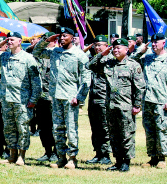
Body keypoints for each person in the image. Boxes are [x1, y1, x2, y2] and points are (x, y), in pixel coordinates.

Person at [33, 27, 91, 170]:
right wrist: (46, 40)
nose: (62, 38)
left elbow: (86, 78)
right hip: (56, 96)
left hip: (71, 97)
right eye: (61, 36)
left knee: (71, 129)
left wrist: (80, 97)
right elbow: (36, 52)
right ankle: (61, 157)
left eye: (65, 36)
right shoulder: (55, 53)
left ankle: (72, 158)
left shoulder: (79, 55)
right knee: (57, 129)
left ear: (72, 37)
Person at [0, 32, 41, 166]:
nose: (9, 42)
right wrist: (0, 43)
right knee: (9, 129)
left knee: (22, 128)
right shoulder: (4, 56)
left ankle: (21, 156)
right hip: (6, 99)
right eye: (7, 40)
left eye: (11, 40)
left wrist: (33, 99)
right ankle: (12, 154)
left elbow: (36, 82)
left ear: (20, 41)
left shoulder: (28, 58)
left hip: (22, 100)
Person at [87, 38, 146, 172]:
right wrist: (102, 54)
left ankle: (126, 161)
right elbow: (90, 66)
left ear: (126, 49)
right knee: (113, 135)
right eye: (114, 48)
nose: (116, 50)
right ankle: (117, 161)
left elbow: (140, 87)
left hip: (126, 106)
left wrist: (137, 105)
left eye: (119, 47)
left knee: (126, 134)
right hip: (110, 106)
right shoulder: (108, 64)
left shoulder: (133, 65)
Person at [135, 33, 167, 169]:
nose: (154, 44)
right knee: (149, 130)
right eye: (152, 42)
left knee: (162, 129)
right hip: (148, 100)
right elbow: (132, 60)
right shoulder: (147, 58)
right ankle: (152, 157)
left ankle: (162, 157)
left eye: (157, 42)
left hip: (162, 101)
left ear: (164, 43)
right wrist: (140, 51)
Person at [85, 35, 112, 165]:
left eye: (100, 45)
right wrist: (99, 55)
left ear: (106, 46)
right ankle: (98, 153)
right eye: (95, 45)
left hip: (104, 98)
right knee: (95, 128)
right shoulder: (95, 59)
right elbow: (88, 65)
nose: (97, 47)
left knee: (104, 128)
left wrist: (103, 55)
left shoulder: (111, 60)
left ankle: (106, 154)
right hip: (93, 97)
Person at [30, 32, 57, 162]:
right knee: (43, 126)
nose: (45, 41)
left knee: (55, 126)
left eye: (48, 39)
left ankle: (57, 152)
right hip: (41, 96)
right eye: (43, 39)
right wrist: (44, 41)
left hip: (54, 96)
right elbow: (36, 51)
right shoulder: (40, 54)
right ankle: (47, 151)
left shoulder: (57, 53)